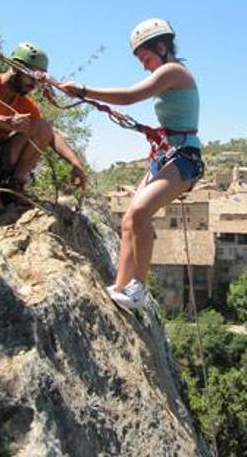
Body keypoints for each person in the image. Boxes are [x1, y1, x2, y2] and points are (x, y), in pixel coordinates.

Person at [61, 18, 203, 309]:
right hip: (166, 155)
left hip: (184, 157)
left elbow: (130, 96)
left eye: (146, 58)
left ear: (162, 48)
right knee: (129, 220)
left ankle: (138, 289)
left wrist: (84, 91)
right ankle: (121, 285)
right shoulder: (168, 74)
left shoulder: (173, 71)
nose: (144, 65)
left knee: (140, 211)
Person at [0, 42, 86, 212]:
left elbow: (50, 134)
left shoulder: (25, 104)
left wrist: (75, 163)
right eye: (30, 76)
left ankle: (13, 187)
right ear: (15, 67)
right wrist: (1, 121)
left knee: (42, 126)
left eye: (38, 79)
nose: (34, 84)